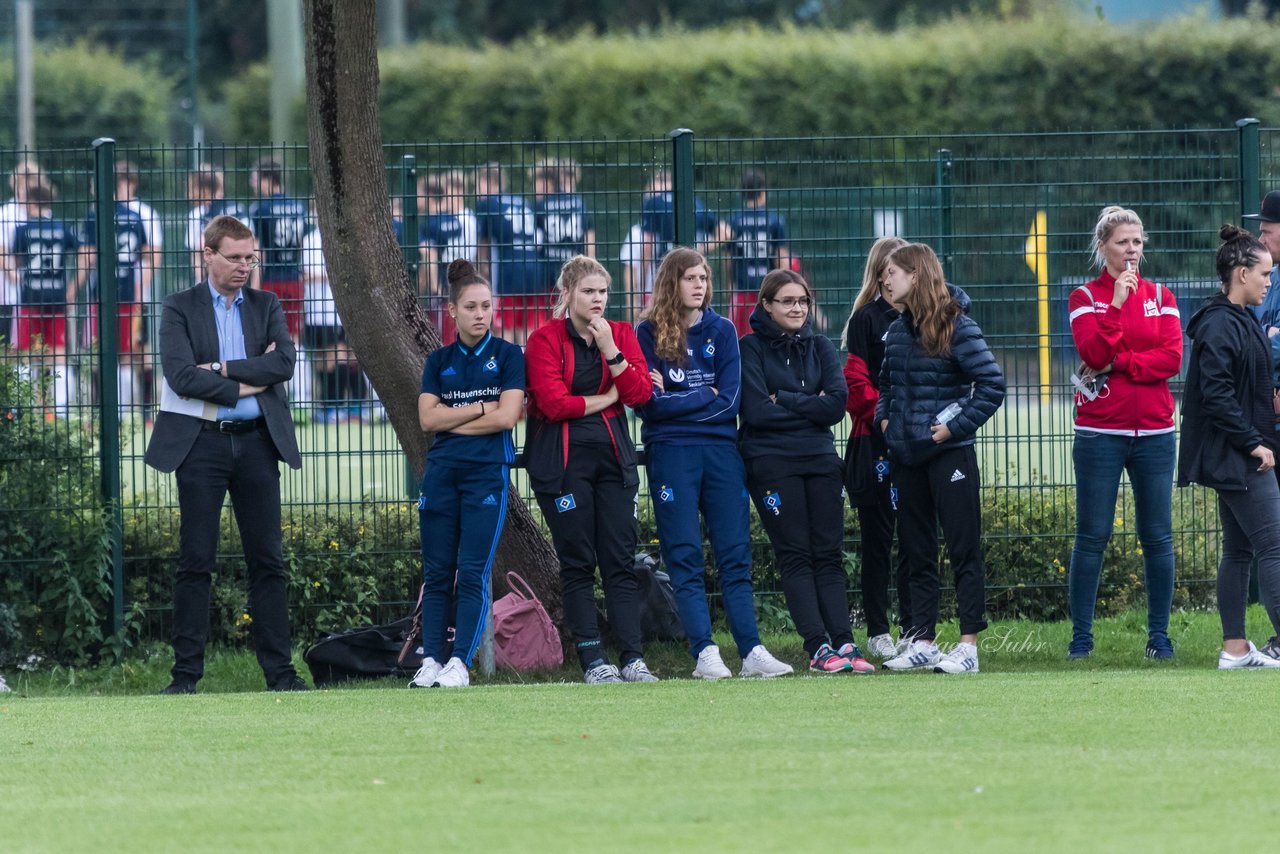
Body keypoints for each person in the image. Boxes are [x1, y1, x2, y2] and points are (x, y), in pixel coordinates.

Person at [145, 215, 306, 693]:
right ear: (207, 254)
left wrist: (219, 368)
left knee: (268, 561)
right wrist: (249, 383)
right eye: (233, 257)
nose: (243, 266)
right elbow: (181, 376)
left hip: (258, 443)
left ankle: (281, 674)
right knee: (196, 561)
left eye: (248, 257)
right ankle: (185, 677)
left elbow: (284, 363)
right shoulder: (177, 307)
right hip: (201, 444)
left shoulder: (267, 303)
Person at [635, 246, 793, 679]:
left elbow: (729, 404)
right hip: (670, 454)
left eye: (703, 278)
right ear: (672, 283)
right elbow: (647, 405)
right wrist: (698, 396)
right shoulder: (646, 333)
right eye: (690, 278)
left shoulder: (723, 331)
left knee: (734, 554)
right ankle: (704, 652)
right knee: (683, 555)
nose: (700, 285)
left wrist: (676, 398)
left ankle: (751, 651)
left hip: (721, 453)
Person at [524, 255, 656, 683]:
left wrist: (611, 352)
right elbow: (553, 403)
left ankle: (632, 658)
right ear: (568, 294)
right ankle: (594, 661)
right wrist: (609, 398)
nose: (597, 299)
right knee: (578, 562)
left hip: (614, 463)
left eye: (602, 292)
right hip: (562, 468)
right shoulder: (543, 339)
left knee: (618, 561)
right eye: (588, 291)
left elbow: (639, 396)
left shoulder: (618, 334)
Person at [876, 243, 1005, 674]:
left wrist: (953, 429)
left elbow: (991, 386)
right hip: (907, 457)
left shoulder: (958, 326)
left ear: (916, 275)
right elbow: (886, 388)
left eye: (892, 273)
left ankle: (968, 647)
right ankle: (924, 641)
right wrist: (884, 423)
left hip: (950, 455)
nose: (885, 280)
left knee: (963, 547)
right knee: (917, 550)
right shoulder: (895, 331)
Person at [1065, 206, 1182, 661]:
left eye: (1137, 242)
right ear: (1103, 248)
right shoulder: (1084, 297)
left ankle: (1159, 637)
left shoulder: (1161, 294)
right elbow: (1092, 350)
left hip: (1155, 432)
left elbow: (1172, 359)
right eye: (1122, 242)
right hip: (1100, 432)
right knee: (1091, 535)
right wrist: (1114, 304)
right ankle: (1081, 640)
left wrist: (1121, 364)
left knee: (1157, 536)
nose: (1131, 250)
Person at [739, 268, 870, 674]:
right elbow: (757, 412)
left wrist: (788, 400)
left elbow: (835, 407)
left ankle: (845, 643)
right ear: (767, 305)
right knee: (796, 555)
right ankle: (817, 648)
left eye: (802, 302)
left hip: (821, 460)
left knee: (828, 555)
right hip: (771, 463)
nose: (797, 308)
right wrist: (808, 403)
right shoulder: (750, 348)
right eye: (787, 301)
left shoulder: (822, 347)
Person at [409, 259, 525, 689]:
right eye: (471, 306)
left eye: (486, 306)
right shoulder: (438, 361)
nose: (480, 314)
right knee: (437, 573)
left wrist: (451, 419)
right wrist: (479, 408)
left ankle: (461, 662)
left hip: (485, 474)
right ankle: (432, 661)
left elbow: (508, 417)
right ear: (452, 311)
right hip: (441, 473)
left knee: (473, 570)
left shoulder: (509, 356)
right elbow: (426, 420)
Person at [1178, 225, 1280, 669]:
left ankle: (1235, 650)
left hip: (1237, 455)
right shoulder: (1220, 323)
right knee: (1274, 547)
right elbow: (1214, 394)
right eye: (1265, 274)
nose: (1269, 282)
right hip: (1237, 458)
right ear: (1242, 274)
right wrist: (1253, 443)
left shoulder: (1241, 319)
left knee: (1238, 551)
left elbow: (1237, 386)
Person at [841, 236, 911, 660]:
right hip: (875, 444)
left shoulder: (927, 316)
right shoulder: (866, 320)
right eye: (888, 267)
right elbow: (856, 387)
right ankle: (878, 628)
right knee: (877, 539)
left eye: (902, 268)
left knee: (916, 538)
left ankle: (914, 627)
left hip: (918, 446)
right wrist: (890, 417)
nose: (893, 276)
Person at [6, 183, 80, 417]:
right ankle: (60, 411)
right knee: (58, 355)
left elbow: (15, 263)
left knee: (25, 356)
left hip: (30, 298)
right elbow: (87, 253)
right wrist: (73, 287)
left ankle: (23, 409)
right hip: (56, 299)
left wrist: (18, 276)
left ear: (30, 201)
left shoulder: (22, 230)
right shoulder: (61, 228)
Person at [1243, 190, 1280, 661]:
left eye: (1268, 227)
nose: (1262, 234)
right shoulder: (1269, 280)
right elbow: (1254, 343)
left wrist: (1264, 342)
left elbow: (1260, 347)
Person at [81, 178, 151, 415]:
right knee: (126, 354)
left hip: (100, 292)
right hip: (127, 291)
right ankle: (122, 411)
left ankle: (107, 409)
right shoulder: (133, 216)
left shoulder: (94, 216)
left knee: (100, 351)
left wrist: (74, 287)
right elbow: (146, 255)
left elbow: (88, 256)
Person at [301, 216, 362, 423]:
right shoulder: (311, 239)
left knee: (344, 355)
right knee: (325, 359)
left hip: (340, 309)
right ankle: (332, 405)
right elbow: (308, 274)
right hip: (318, 310)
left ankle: (348, 405)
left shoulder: (345, 237)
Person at [474, 162, 542, 343]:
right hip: (533, 270)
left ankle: (508, 368)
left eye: (477, 184)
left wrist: (482, 270)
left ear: (488, 182)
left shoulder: (488, 204)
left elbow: (483, 243)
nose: (476, 191)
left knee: (506, 327)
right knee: (528, 327)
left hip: (507, 271)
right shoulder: (523, 203)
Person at [721, 169, 790, 335]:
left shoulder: (734, 221)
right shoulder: (774, 220)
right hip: (767, 290)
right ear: (762, 192)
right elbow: (782, 259)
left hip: (742, 289)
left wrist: (729, 284)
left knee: (738, 337)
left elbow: (728, 259)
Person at [0, 160, 47, 344]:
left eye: (33, 181)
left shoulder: (45, 214)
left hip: (39, 290)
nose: (28, 187)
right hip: (8, 290)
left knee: (37, 343)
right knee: (8, 342)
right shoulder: (6, 213)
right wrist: (14, 274)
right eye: (23, 182)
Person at [532, 158, 595, 292]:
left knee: (549, 308)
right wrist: (591, 266)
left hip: (548, 268)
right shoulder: (580, 204)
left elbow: (536, 240)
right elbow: (589, 239)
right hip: (574, 267)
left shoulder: (543, 204)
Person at [186, 165, 250, 283]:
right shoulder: (238, 209)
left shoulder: (203, 215)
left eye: (191, 189)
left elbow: (197, 250)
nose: (189, 195)